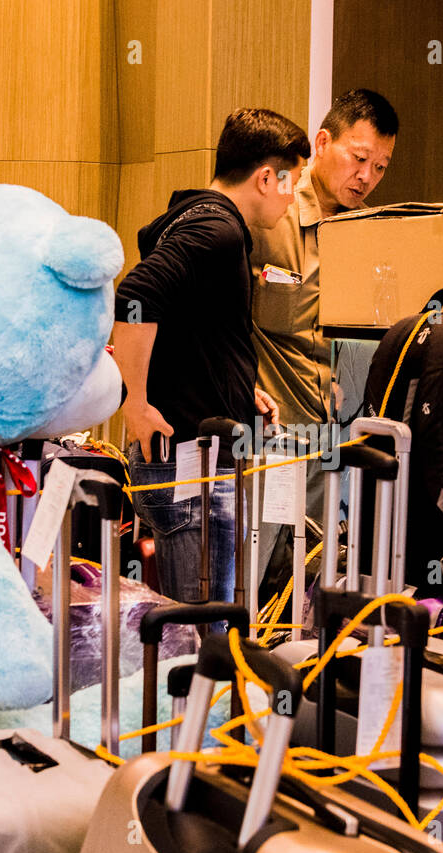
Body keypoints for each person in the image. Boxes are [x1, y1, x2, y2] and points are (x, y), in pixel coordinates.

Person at [113, 108, 309, 603]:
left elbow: (188, 336)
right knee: (202, 640)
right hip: (192, 470)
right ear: (266, 177)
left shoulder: (195, 218)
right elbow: (135, 297)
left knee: (200, 633)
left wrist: (242, 390)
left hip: (192, 461)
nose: (292, 197)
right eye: (291, 182)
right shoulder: (216, 232)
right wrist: (134, 402)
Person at [247, 90, 398, 595]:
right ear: (323, 141)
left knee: (309, 587)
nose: (367, 177)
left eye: (380, 167)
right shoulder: (271, 208)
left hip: (332, 442)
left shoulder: (371, 232)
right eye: (359, 159)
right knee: (250, 582)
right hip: (265, 438)